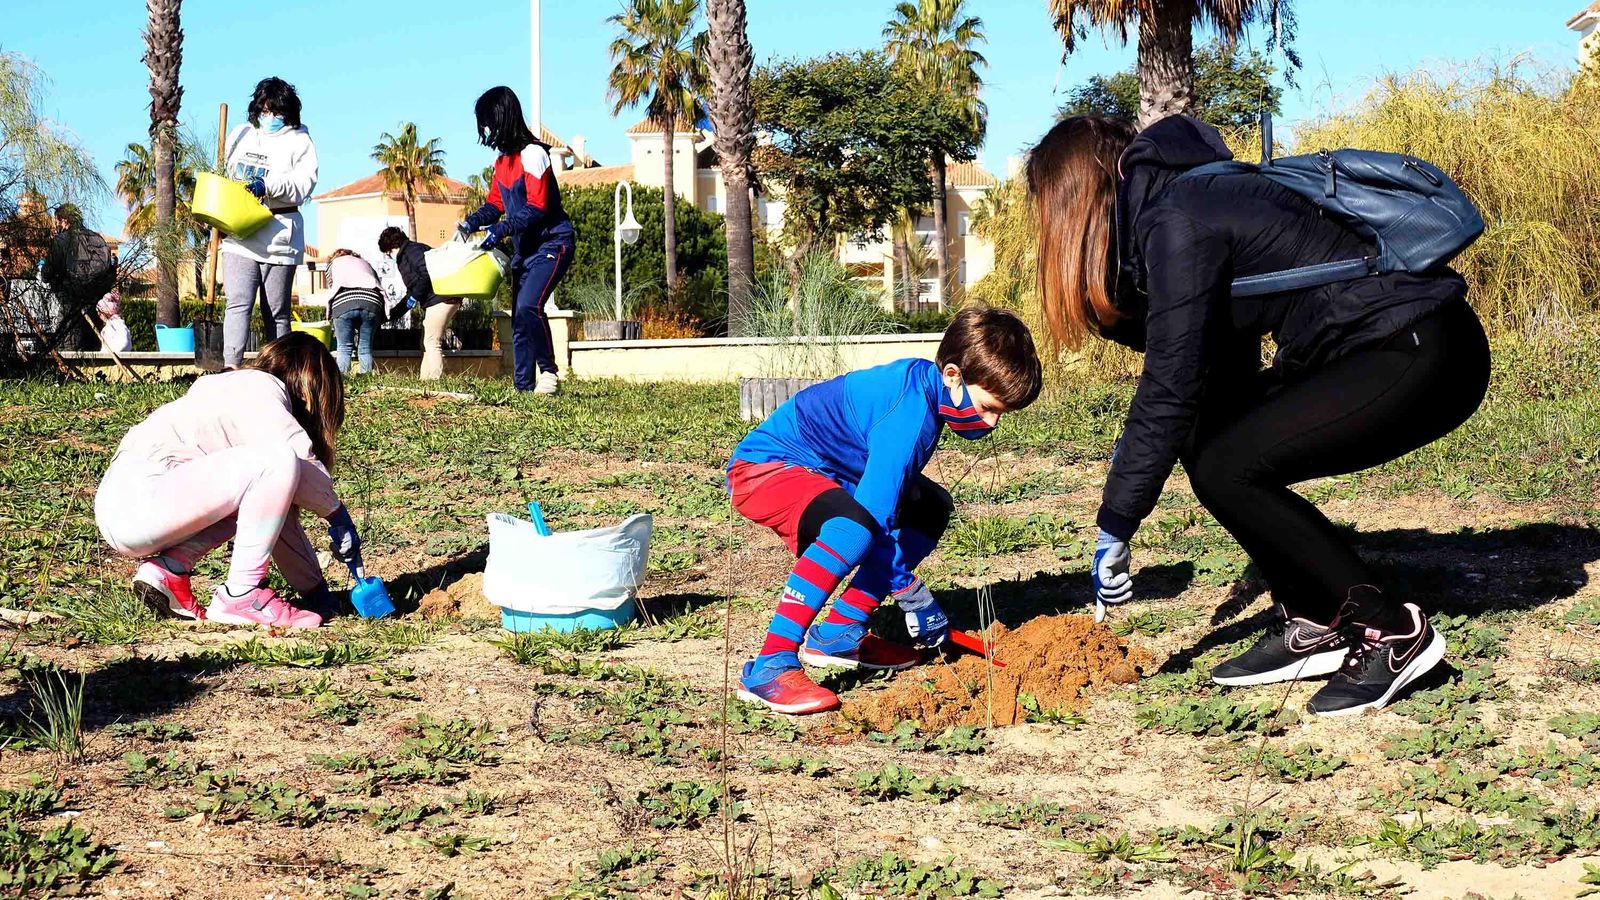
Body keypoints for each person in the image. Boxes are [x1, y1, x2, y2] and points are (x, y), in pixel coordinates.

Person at [1027, 115, 1491, 717]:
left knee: (1228, 465)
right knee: (1211, 446)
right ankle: (1319, 618)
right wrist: (1144, 444)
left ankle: (1392, 631)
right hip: (1383, 348)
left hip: (1418, 349)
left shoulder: (1178, 218)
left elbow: (1170, 384)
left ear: (1076, 200)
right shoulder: (1188, 203)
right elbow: (1208, 378)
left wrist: (1116, 523)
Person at [726, 307, 1043, 714]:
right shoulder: (909, 416)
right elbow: (877, 516)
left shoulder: (926, 388)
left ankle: (840, 631)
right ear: (953, 376)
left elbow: (887, 499)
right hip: (765, 469)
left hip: (830, 471)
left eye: (1001, 413)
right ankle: (771, 665)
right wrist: (911, 595)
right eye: (987, 407)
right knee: (853, 530)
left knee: (929, 509)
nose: (993, 423)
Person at [94, 332, 363, 628]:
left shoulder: (227, 393)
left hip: (125, 507)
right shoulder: (259, 389)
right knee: (279, 459)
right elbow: (297, 459)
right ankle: (241, 596)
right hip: (142, 498)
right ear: (309, 394)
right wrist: (336, 514)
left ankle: (169, 570)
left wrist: (317, 594)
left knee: (268, 485)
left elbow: (276, 520)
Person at [459, 86, 575, 394]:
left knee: (529, 306)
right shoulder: (501, 162)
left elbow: (538, 206)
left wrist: (501, 230)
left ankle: (549, 373)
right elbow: (495, 203)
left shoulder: (534, 154)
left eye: (487, 122)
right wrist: (472, 222)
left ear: (502, 118)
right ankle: (523, 388)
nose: (485, 130)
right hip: (525, 251)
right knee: (520, 319)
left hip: (553, 243)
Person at [220, 77, 318, 368]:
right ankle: (230, 366)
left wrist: (268, 185)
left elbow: (303, 185)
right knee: (238, 302)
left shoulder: (300, 141)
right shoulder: (241, 135)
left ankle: (279, 370)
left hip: (279, 236)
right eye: (265, 110)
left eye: (277, 111)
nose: (270, 116)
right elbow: (225, 175)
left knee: (276, 311)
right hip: (240, 232)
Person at [376, 227, 459, 381]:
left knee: (432, 342)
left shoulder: (411, 251)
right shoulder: (410, 252)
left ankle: (435, 381)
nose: (389, 257)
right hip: (440, 298)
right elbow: (412, 290)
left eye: (387, 253)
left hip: (440, 298)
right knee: (426, 342)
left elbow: (426, 274)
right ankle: (424, 380)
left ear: (391, 247)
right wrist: (391, 315)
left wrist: (415, 296)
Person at [326, 249, 383, 375]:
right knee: (365, 348)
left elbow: (332, 286)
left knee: (344, 348)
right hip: (371, 302)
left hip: (344, 303)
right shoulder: (365, 263)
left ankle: (343, 381)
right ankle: (367, 380)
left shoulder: (333, 264)